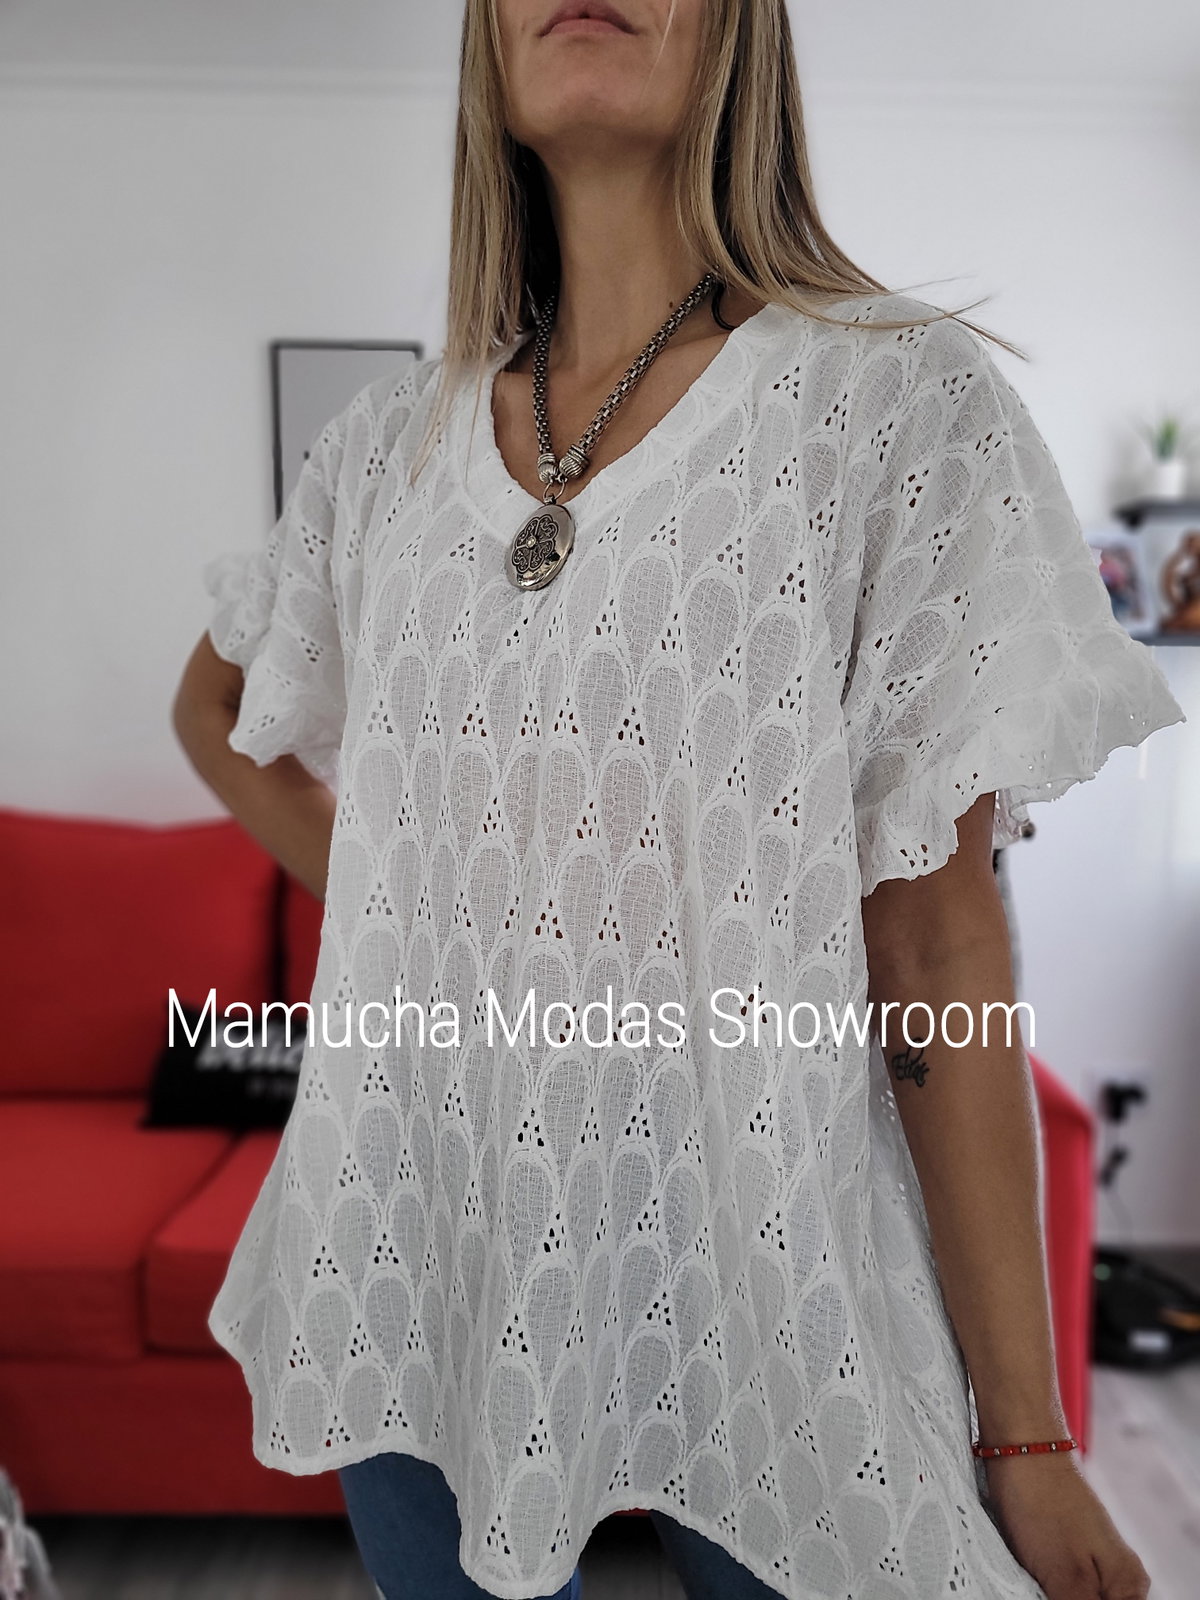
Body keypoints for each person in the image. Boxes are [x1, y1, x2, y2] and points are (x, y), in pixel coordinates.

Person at [172, 3, 1185, 1597]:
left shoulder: (890, 408)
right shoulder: (385, 453)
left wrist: (1029, 1441)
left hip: (772, 1274)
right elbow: (218, 712)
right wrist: (402, 896)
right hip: (409, 1230)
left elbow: (934, 947)